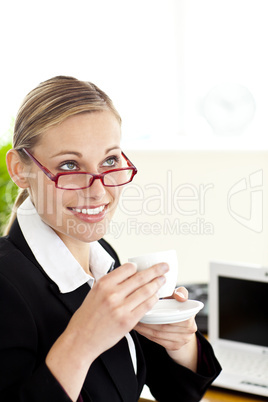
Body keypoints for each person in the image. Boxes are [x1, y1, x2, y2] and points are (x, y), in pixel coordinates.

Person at [0, 76, 221, 402]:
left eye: (110, 160)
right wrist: (81, 341)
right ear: (20, 169)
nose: (99, 191)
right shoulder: (6, 284)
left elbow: (176, 392)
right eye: (70, 165)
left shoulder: (102, 257)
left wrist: (180, 339)